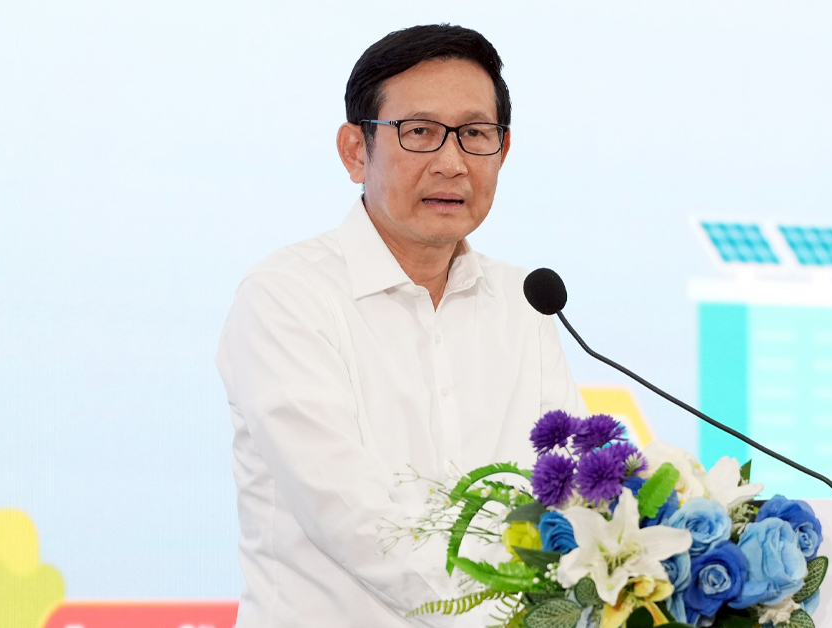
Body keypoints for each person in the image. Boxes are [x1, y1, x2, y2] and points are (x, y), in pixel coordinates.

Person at [215, 24, 586, 628]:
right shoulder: (287, 297)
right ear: (354, 151)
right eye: (419, 132)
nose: (452, 163)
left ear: (503, 149)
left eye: (475, 134)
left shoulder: (525, 302)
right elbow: (357, 523)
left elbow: (567, 496)